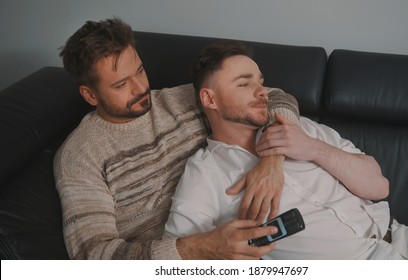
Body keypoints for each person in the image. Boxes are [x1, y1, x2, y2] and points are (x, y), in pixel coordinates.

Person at [163, 41, 408, 259]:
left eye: (260, 81)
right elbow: (177, 252)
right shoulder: (205, 173)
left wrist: (313, 148)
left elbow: (379, 187)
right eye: (244, 84)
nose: (262, 91)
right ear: (210, 99)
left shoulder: (301, 126)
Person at [53, 17, 302, 259]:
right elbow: (94, 256)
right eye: (120, 85)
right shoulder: (79, 156)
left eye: (140, 70)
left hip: (236, 235)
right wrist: (201, 248)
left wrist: (273, 157)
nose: (140, 88)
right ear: (90, 95)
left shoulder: (180, 100)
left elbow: (277, 97)